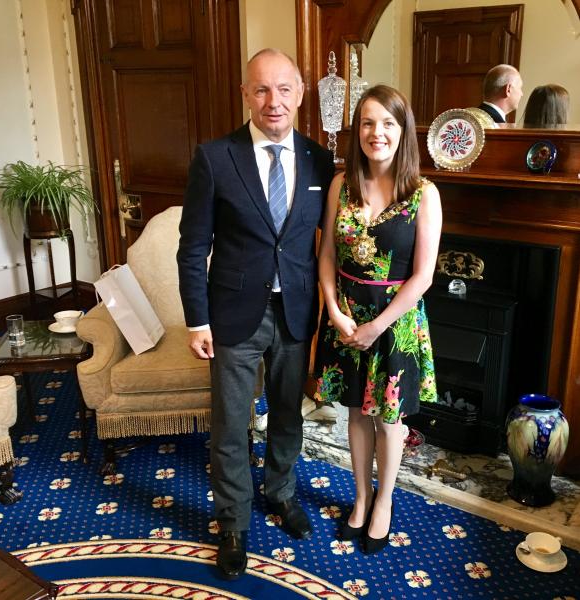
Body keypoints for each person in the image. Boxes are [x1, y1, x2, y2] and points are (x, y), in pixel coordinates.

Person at [177, 48, 335, 579]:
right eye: (262, 89)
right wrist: (197, 320)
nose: (274, 101)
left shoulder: (319, 160)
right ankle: (233, 522)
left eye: (284, 89)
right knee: (230, 424)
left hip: (296, 310)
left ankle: (281, 492)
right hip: (233, 314)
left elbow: (328, 241)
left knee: (289, 413)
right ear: (245, 93)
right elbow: (192, 248)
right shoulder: (214, 158)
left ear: (300, 94)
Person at [314, 85, 442, 555]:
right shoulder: (341, 184)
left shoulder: (424, 194)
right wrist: (332, 308)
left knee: (389, 420)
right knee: (355, 413)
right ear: (358, 131)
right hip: (347, 319)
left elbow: (424, 276)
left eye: (388, 123)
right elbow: (327, 255)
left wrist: (377, 325)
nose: (377, 132)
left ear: (403, 131)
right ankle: (361, 497)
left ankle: (384, 501)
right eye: (367, 122)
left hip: (394, 323)